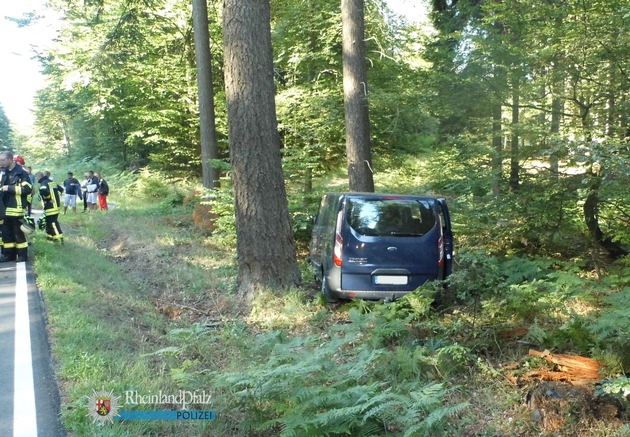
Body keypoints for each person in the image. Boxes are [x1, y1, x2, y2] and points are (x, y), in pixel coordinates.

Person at [0, 151, 33, 262]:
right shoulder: (3, 172)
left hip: (16, 208)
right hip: (4, 209)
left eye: (3, 160)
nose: (1, 162)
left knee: (18, 233)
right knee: (6, 234)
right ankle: (9, 255)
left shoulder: (21, 173)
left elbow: (27, 190)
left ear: (11, 159)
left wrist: (9, 188)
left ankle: (22, 256)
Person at [35, 171, 64, 243]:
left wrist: (48, 199)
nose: (36, 180)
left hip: (50, 207)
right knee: (48, 222)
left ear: (38, 177)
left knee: (52, 223)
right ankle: (50, 237)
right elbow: (61, 189)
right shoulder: (51, 182)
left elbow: (44, 191)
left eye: (36, 178)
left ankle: (59, 239)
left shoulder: (43, 183)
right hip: (56, 205)